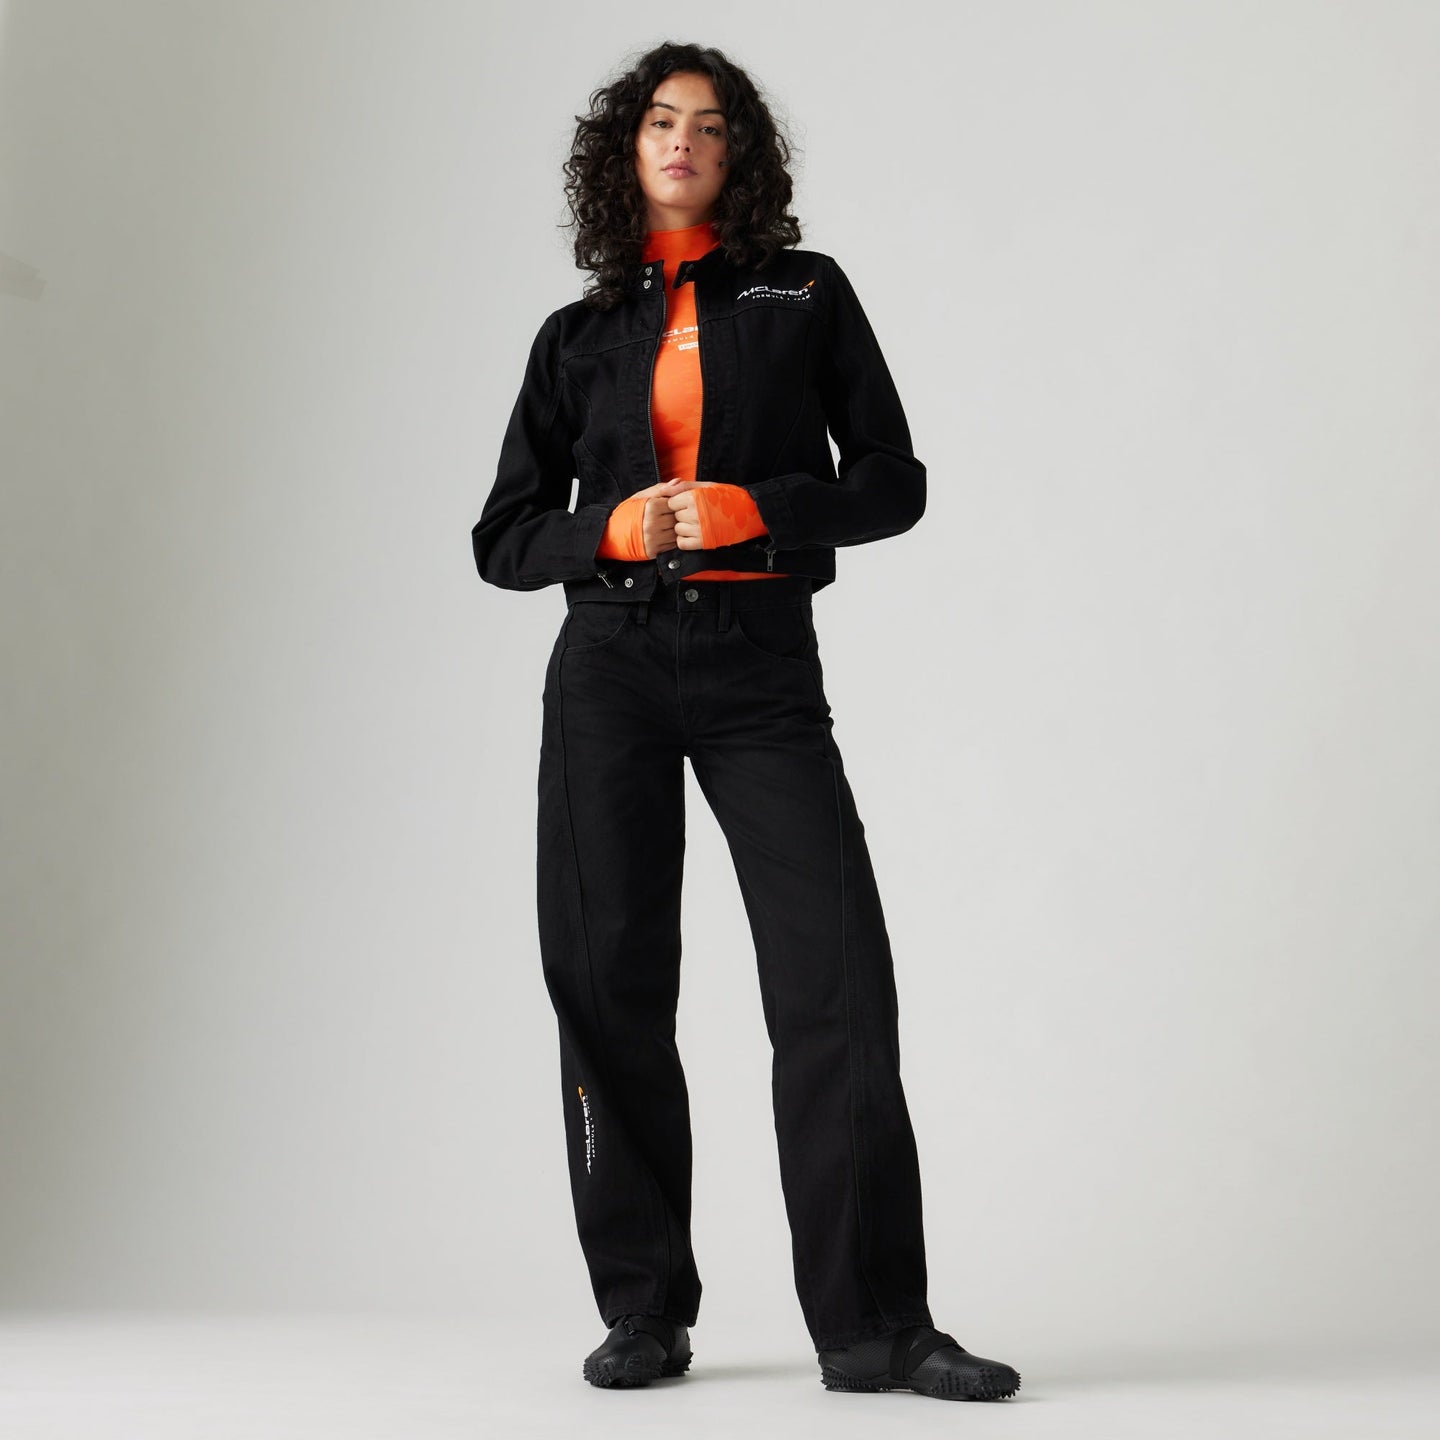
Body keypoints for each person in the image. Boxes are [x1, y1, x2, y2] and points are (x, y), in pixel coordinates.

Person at [472, 41, 1022, 1403]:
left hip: (758, 663)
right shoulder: (576, 333)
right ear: (626, 148)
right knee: (606, 981)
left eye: (710, 127)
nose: (682, 141)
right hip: (607, 667)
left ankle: (878, 1327)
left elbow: (893, 480)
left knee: (834, 980)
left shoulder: (804, 293)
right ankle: (642, 1310)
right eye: (661, 121)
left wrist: (757, 508)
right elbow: (502, 536)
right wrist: (606, 530)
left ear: (740, 156)